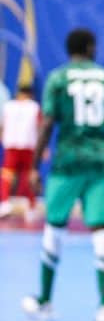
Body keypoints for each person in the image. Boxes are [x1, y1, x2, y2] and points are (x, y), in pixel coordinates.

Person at [21, 29, 104, 321]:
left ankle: (44, 300)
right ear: (90, 47)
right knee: (102, 230)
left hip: (66, 163)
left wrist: (33, 166)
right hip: (99, 162)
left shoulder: (58, 78)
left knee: (54, 228)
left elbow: (47, 125)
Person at [0, 82, 42, 223]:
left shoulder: (8, 106)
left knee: (7, 175)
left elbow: (3, 125)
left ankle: (5, 203)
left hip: (12, 145)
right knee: (28, 176)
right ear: (30, 94)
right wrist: (43, 148)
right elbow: (40, 127)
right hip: (28, 146)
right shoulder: (34, 107)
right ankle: (31, 207)